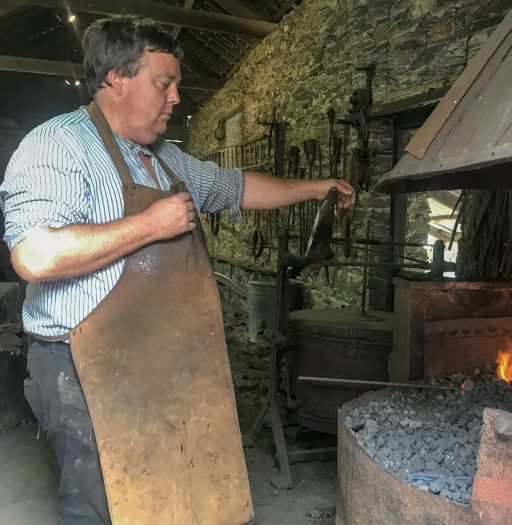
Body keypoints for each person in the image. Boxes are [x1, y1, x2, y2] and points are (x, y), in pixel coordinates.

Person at [0, 15, 354, 525]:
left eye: (176, 87)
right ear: (117, 79)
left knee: (165, 492)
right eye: (163, 84)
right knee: (101, 503)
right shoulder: (58, 144)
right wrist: (149, 224)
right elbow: (34, 256)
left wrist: (317, 187)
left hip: (162, 358)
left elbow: (235, 187)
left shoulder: (165, 158)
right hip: (80, 368)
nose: (174, 99)